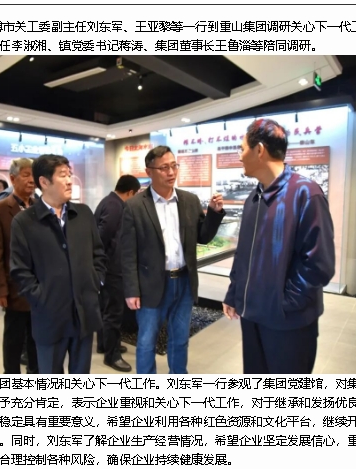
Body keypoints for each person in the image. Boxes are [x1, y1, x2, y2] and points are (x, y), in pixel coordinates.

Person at [222, 118, 335, 374]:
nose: (239, 156)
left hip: (289, 325)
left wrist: (284, 304)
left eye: (242, 149)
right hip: (252, 319)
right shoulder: (254, 198)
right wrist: (234, 292)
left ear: (259, 150)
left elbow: (319, 265)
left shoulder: (306, 193)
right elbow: (244, 253)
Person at [121, 145, 225, 374]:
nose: (171, 172)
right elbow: (128, 252)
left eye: (174, 166)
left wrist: (214, 213)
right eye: (164, 168)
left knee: (180, 339)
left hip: (184, 282)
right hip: (150, 284)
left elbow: (203, 237)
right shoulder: (135, 206)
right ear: (149, 172)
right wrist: (131, 290)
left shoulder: (189, 200)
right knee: (146, 341)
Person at [10, 154, 105, 374]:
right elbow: (20, 271)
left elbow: (98, 254)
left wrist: (96, 282)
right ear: (44, 182)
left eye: (69, 174)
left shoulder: (83, 214)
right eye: (63, 175)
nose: (70, 180)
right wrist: (41, 298)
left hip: (84, 313)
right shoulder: (24, 222)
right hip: (49, 317)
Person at [0, 158, 39, 374]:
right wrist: (0, 289)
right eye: (26, 175)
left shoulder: (39, 207)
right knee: (14, 338)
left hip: (40, 287)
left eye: (33, 175)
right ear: (13, 178)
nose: (31, 180)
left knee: (37, 337)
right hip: (15, 287)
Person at [94, 174, 141, 372]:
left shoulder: (110, 201)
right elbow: (101, 238)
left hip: (110, 267)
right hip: (112, 269)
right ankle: (111, 356)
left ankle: (105, 344)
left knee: (107, 309)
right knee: (113, 313)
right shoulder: (115, 206)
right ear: (130, 192)